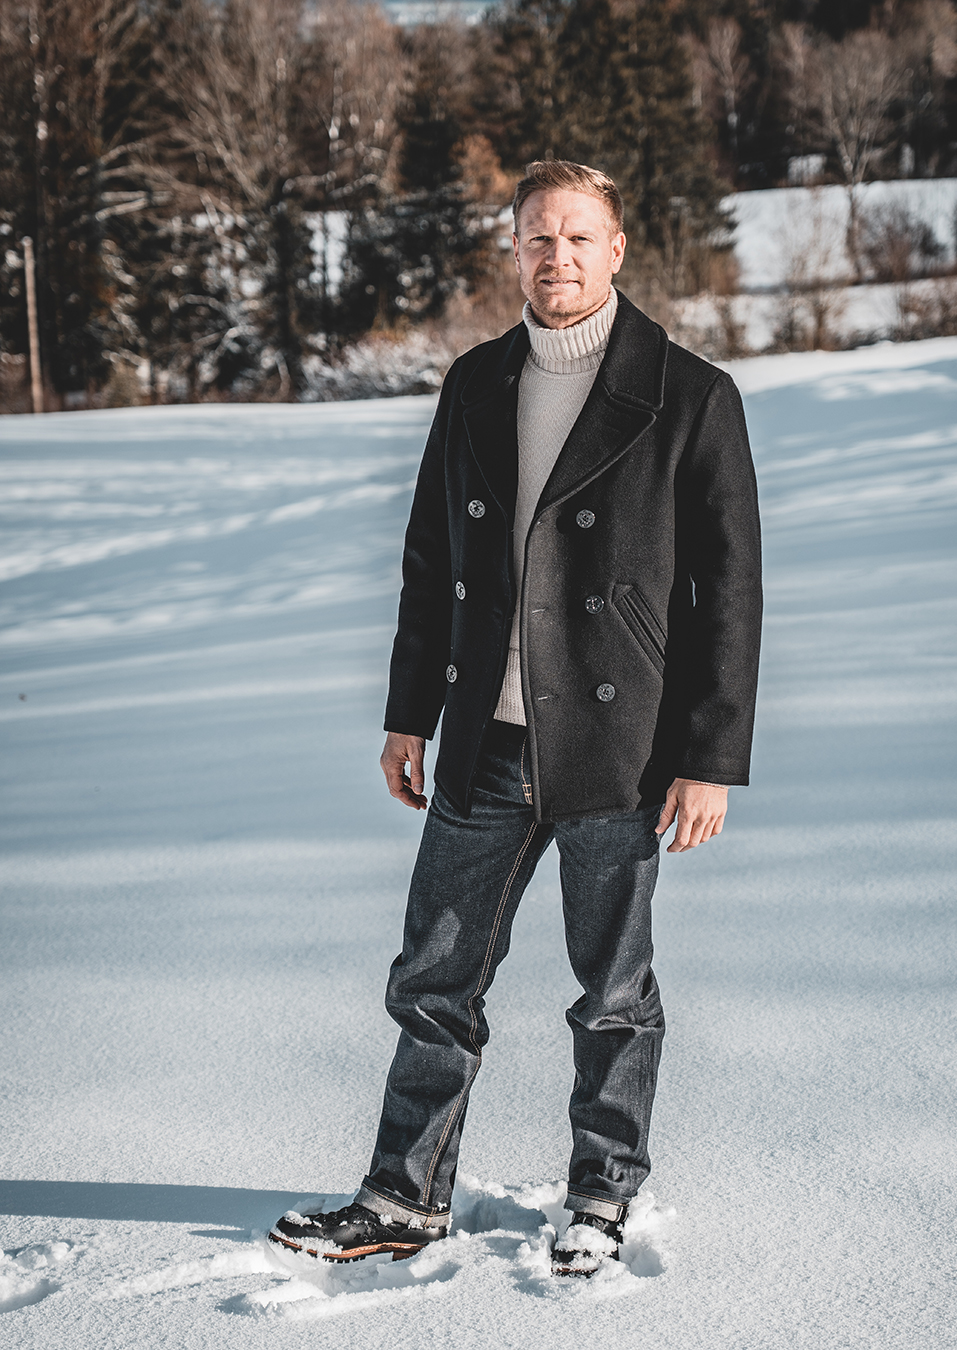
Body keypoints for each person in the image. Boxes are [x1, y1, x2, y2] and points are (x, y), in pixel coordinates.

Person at [270, 160, 762, 1277]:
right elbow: (428, 559)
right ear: (515, 249)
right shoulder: (476, 382)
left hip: (619, 751)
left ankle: (601, 1196)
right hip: (483, 743)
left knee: (614, 994)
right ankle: (403, 1198)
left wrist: (711, 757)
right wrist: (408, 714)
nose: (558, 257)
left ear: (618, 248)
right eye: (539, 237)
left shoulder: (690, 395)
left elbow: (730, 593)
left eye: (580, 237)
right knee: (432, 980)